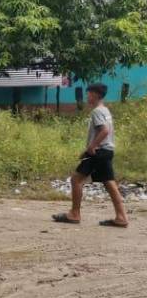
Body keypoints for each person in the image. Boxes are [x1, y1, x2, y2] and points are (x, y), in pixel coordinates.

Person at [53, 83, 129, 227]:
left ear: (95, 95)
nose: (87, 96)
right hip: (106, 151)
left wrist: (92, 147)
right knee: (110, 183)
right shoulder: (105, 110)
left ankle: (74, 214)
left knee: (76, 180)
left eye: (88, 93)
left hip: (99, 152)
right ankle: (121, 217)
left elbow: (104, 130)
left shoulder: (96, 112)